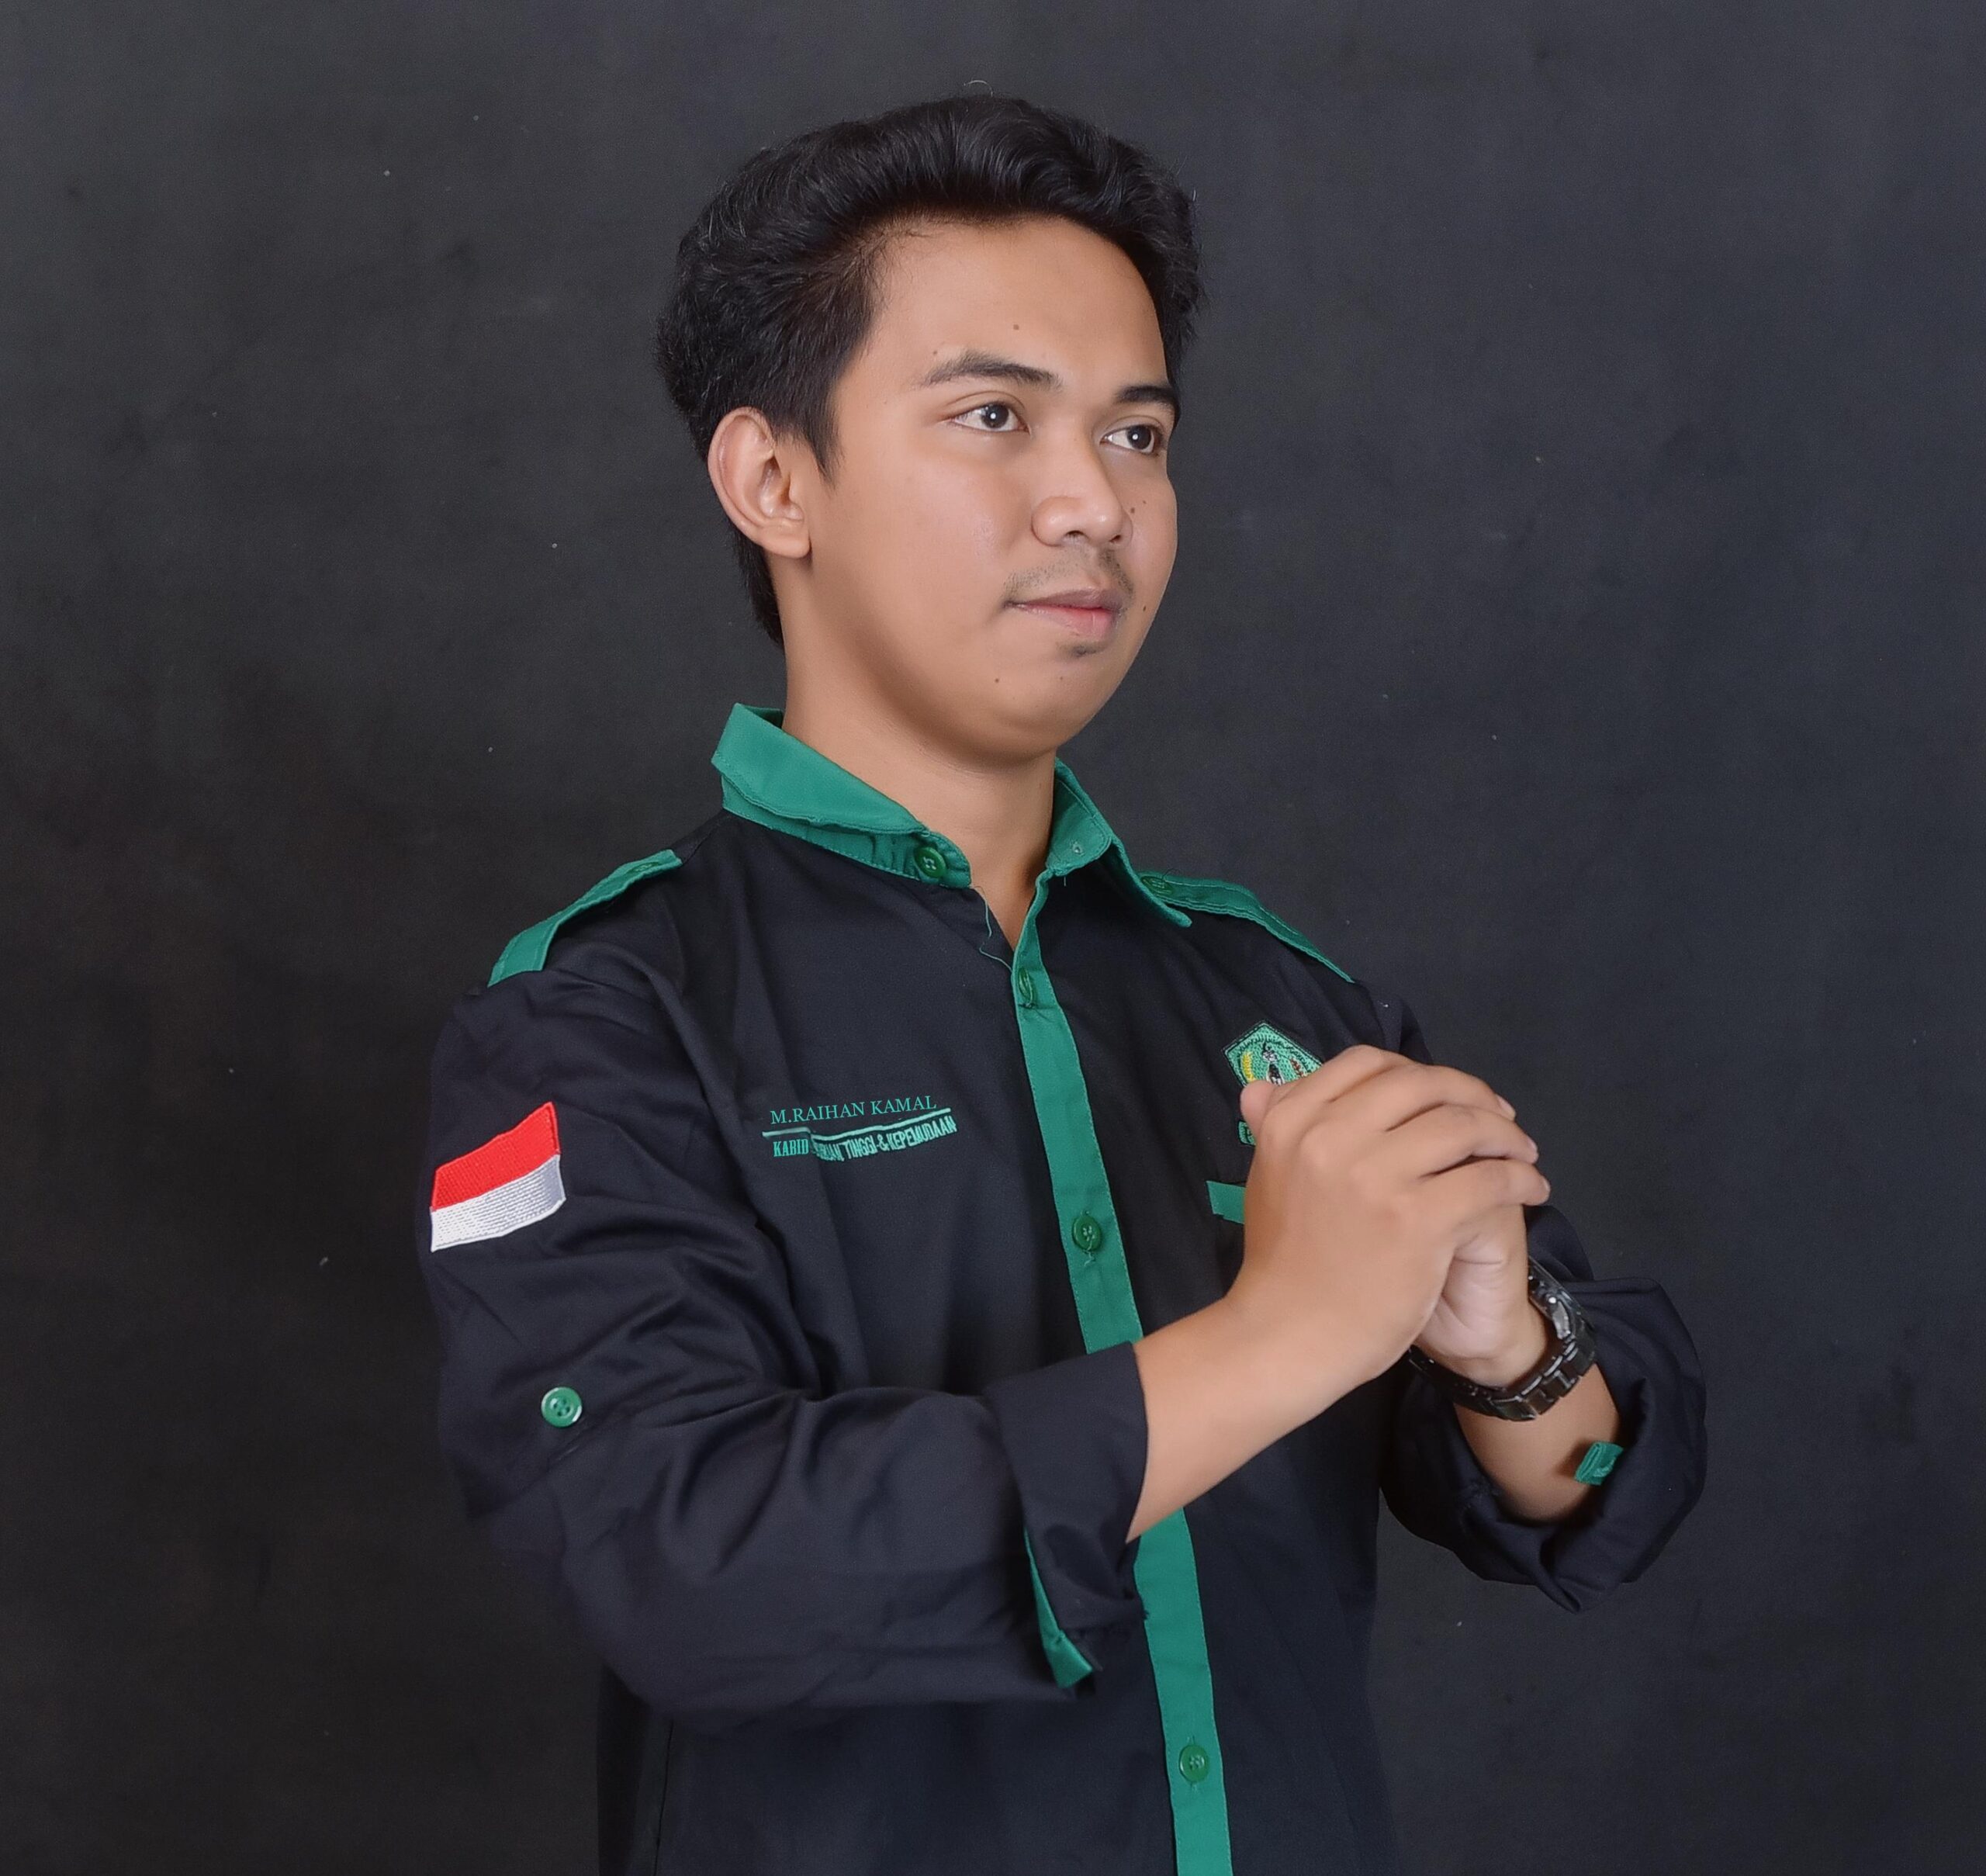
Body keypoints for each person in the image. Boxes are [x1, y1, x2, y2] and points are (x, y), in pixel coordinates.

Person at [417, 90, 1707, 1876]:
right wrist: (1281, 1335)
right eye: (992, 417)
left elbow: (1594, 1498)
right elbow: (688, 1570)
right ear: (774, 481)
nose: (1094, 502)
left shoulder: (1279, 997)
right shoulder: (597, 1019)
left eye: (1137, 433)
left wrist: (1509, 1350)